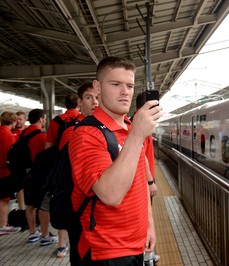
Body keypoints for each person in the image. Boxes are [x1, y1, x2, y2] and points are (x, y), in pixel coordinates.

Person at [69, 56, 162, 265]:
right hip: (107, 251)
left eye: (129, 85)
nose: (125, 92)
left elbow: (140, 180)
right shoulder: (86, 134)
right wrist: (137, 137)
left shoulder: (130, 126)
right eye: (115, 84)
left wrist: (149, 225)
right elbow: (110, 195)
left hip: (136, 243)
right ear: (97, 87)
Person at [56, 82, 98, 263]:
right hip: (79, 207)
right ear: (80, 102)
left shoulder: (105, 129)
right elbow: (65, 173)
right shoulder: (72, 131)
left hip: (100, 210)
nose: (95, 102)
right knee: (81, 255)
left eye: (97, 97)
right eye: (89, 98)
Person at [43, 93, 80, 256]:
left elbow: (48, 146)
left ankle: (61, 245)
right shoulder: (84, 120)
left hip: (61, 169)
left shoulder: (56, 121)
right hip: (78, 169)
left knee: (62, 202)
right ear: (79, 103)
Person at [132, 91, 160, 263]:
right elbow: (140, 156)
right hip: (142, 180)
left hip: (143, 179)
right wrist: (150, 181)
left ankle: (146, 252)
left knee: (145, 217)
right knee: (143, 217)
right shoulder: (138, 125)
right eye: (154, 106)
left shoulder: (140, 123)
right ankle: (146, 254)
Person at [22, 109, 55, 245]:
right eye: (45, 118)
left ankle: (33, 233)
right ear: (41, 119)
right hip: (39, 175)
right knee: (43, 206)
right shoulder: (42, 137)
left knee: (29, 205)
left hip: (26, 174)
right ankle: (45, 235)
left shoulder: (24, 133)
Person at [0, 111, 21, 235]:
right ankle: (3, 224)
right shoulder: (8, 135)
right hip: (4, 171)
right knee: (4, 199)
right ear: (13, 122)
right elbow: (11, 155)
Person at [12, 111, 27, 210]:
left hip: (27, 163)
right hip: (16, 164)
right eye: (16, 119)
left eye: (20, 119)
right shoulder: (11, 131)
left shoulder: (28, 131)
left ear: (25, 120)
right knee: (19, 187)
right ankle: (21, 209)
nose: (18, 121)